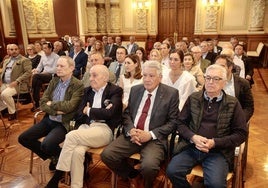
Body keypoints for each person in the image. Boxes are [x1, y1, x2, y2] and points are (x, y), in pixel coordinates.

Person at [166, 64, 248, 188]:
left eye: (216, 79)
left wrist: (215, 142)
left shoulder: (233, 103)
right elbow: (180, 123)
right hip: (191, 147)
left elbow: (241, 134)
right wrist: (193, 137)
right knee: (172, 172)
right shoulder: (193, 98)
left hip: (218, 152)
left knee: (216, 184)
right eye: (208, 78)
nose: (210, 82)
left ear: (224, 83)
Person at [101, 60, 179, 188]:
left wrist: (150, 134)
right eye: (145, 75)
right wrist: (131, 130)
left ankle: (147, 184)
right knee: (107, 155)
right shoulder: (136, 90)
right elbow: (127, 114)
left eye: (151, 76)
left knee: (149, 167)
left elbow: (173, 122)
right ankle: (133, 175)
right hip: (133, 135)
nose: (147, 79)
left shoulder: (171, 94)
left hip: (154, 139)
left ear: (160, 77)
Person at [45, 64, 123, 188]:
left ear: (105, 78)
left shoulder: (115, 90)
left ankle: (57, 177)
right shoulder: (87, 91)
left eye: (94, 75)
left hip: (104, 129)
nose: (90, 78)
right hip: (86, 127)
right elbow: (78, 114)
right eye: (90, 75)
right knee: (77, 152)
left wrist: (89, 110)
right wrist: (97, 111)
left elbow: (110, 113)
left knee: (71, 136)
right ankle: (76, 186)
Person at [18, 56, 84, 171]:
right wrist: (55, 110)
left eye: (62, 66)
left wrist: (51, 104)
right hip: (49, 119)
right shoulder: (54, 81)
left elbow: (69, 106)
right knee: (24, 138)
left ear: (71, 68)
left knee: (47, 144)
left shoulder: (78, 85)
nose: (58, 68)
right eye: (57, 65)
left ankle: (61, 158)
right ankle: (56, 157)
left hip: (64, 123)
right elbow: (42, 102)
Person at [215, 54, 254, 122]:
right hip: (215, 118)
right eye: (216, 66)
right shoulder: (210, 82)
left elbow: (248, 107)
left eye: (222, 66)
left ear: (230, 67)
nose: (218, 69)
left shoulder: (243, 83)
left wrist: (240, 120)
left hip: (236, 118)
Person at [0, 44, 32, 120]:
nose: (14, 51)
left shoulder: (24, 60)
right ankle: (3, 109)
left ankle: (12, 113)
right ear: (9, 51)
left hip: (18, 84)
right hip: (5, 84)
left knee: (5, 94)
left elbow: (28, 73)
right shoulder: (6, 61)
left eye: (15, 49)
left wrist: (17, 81)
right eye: (11, 49)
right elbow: (2, 73)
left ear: (19, 50)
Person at [31, 42, 59, 111]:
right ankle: (37, 102)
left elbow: (55, 69)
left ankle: (30, 91)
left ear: (50, 48)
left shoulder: (56, 57)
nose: (44, 50)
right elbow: (39, 67)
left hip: (51, 75)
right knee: (37, 81)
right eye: (43, 48)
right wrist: (36, 70)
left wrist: (46, 72)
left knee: (36, 77)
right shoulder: (43, 56)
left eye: (45, 48)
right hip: (42, 75)